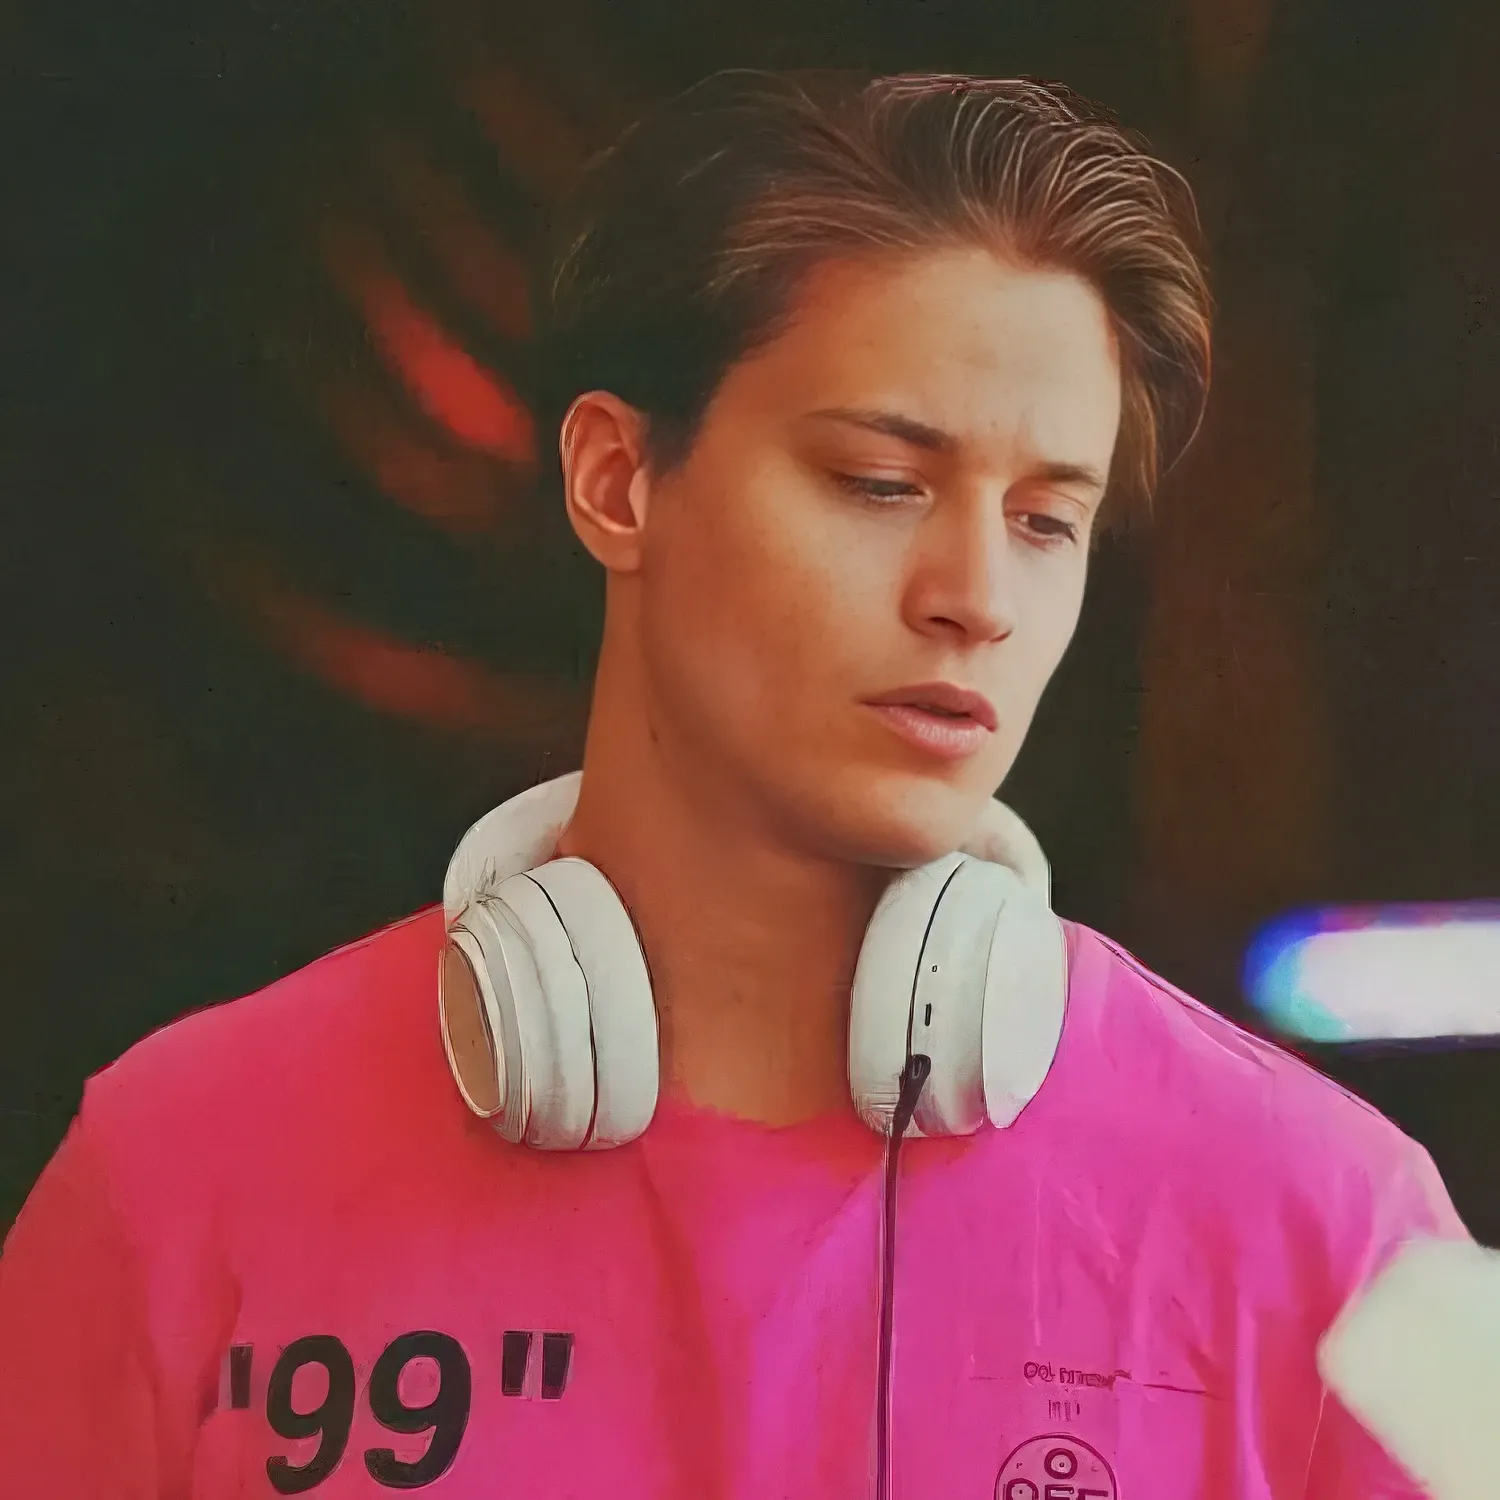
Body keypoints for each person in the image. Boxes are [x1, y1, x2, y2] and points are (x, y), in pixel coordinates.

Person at [0, 70, 1468, 1500]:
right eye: (881, 483)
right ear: (616, 480)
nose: (977, 597)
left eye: (1045, 521)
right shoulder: (173, 1180)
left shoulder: (1343, 1244)